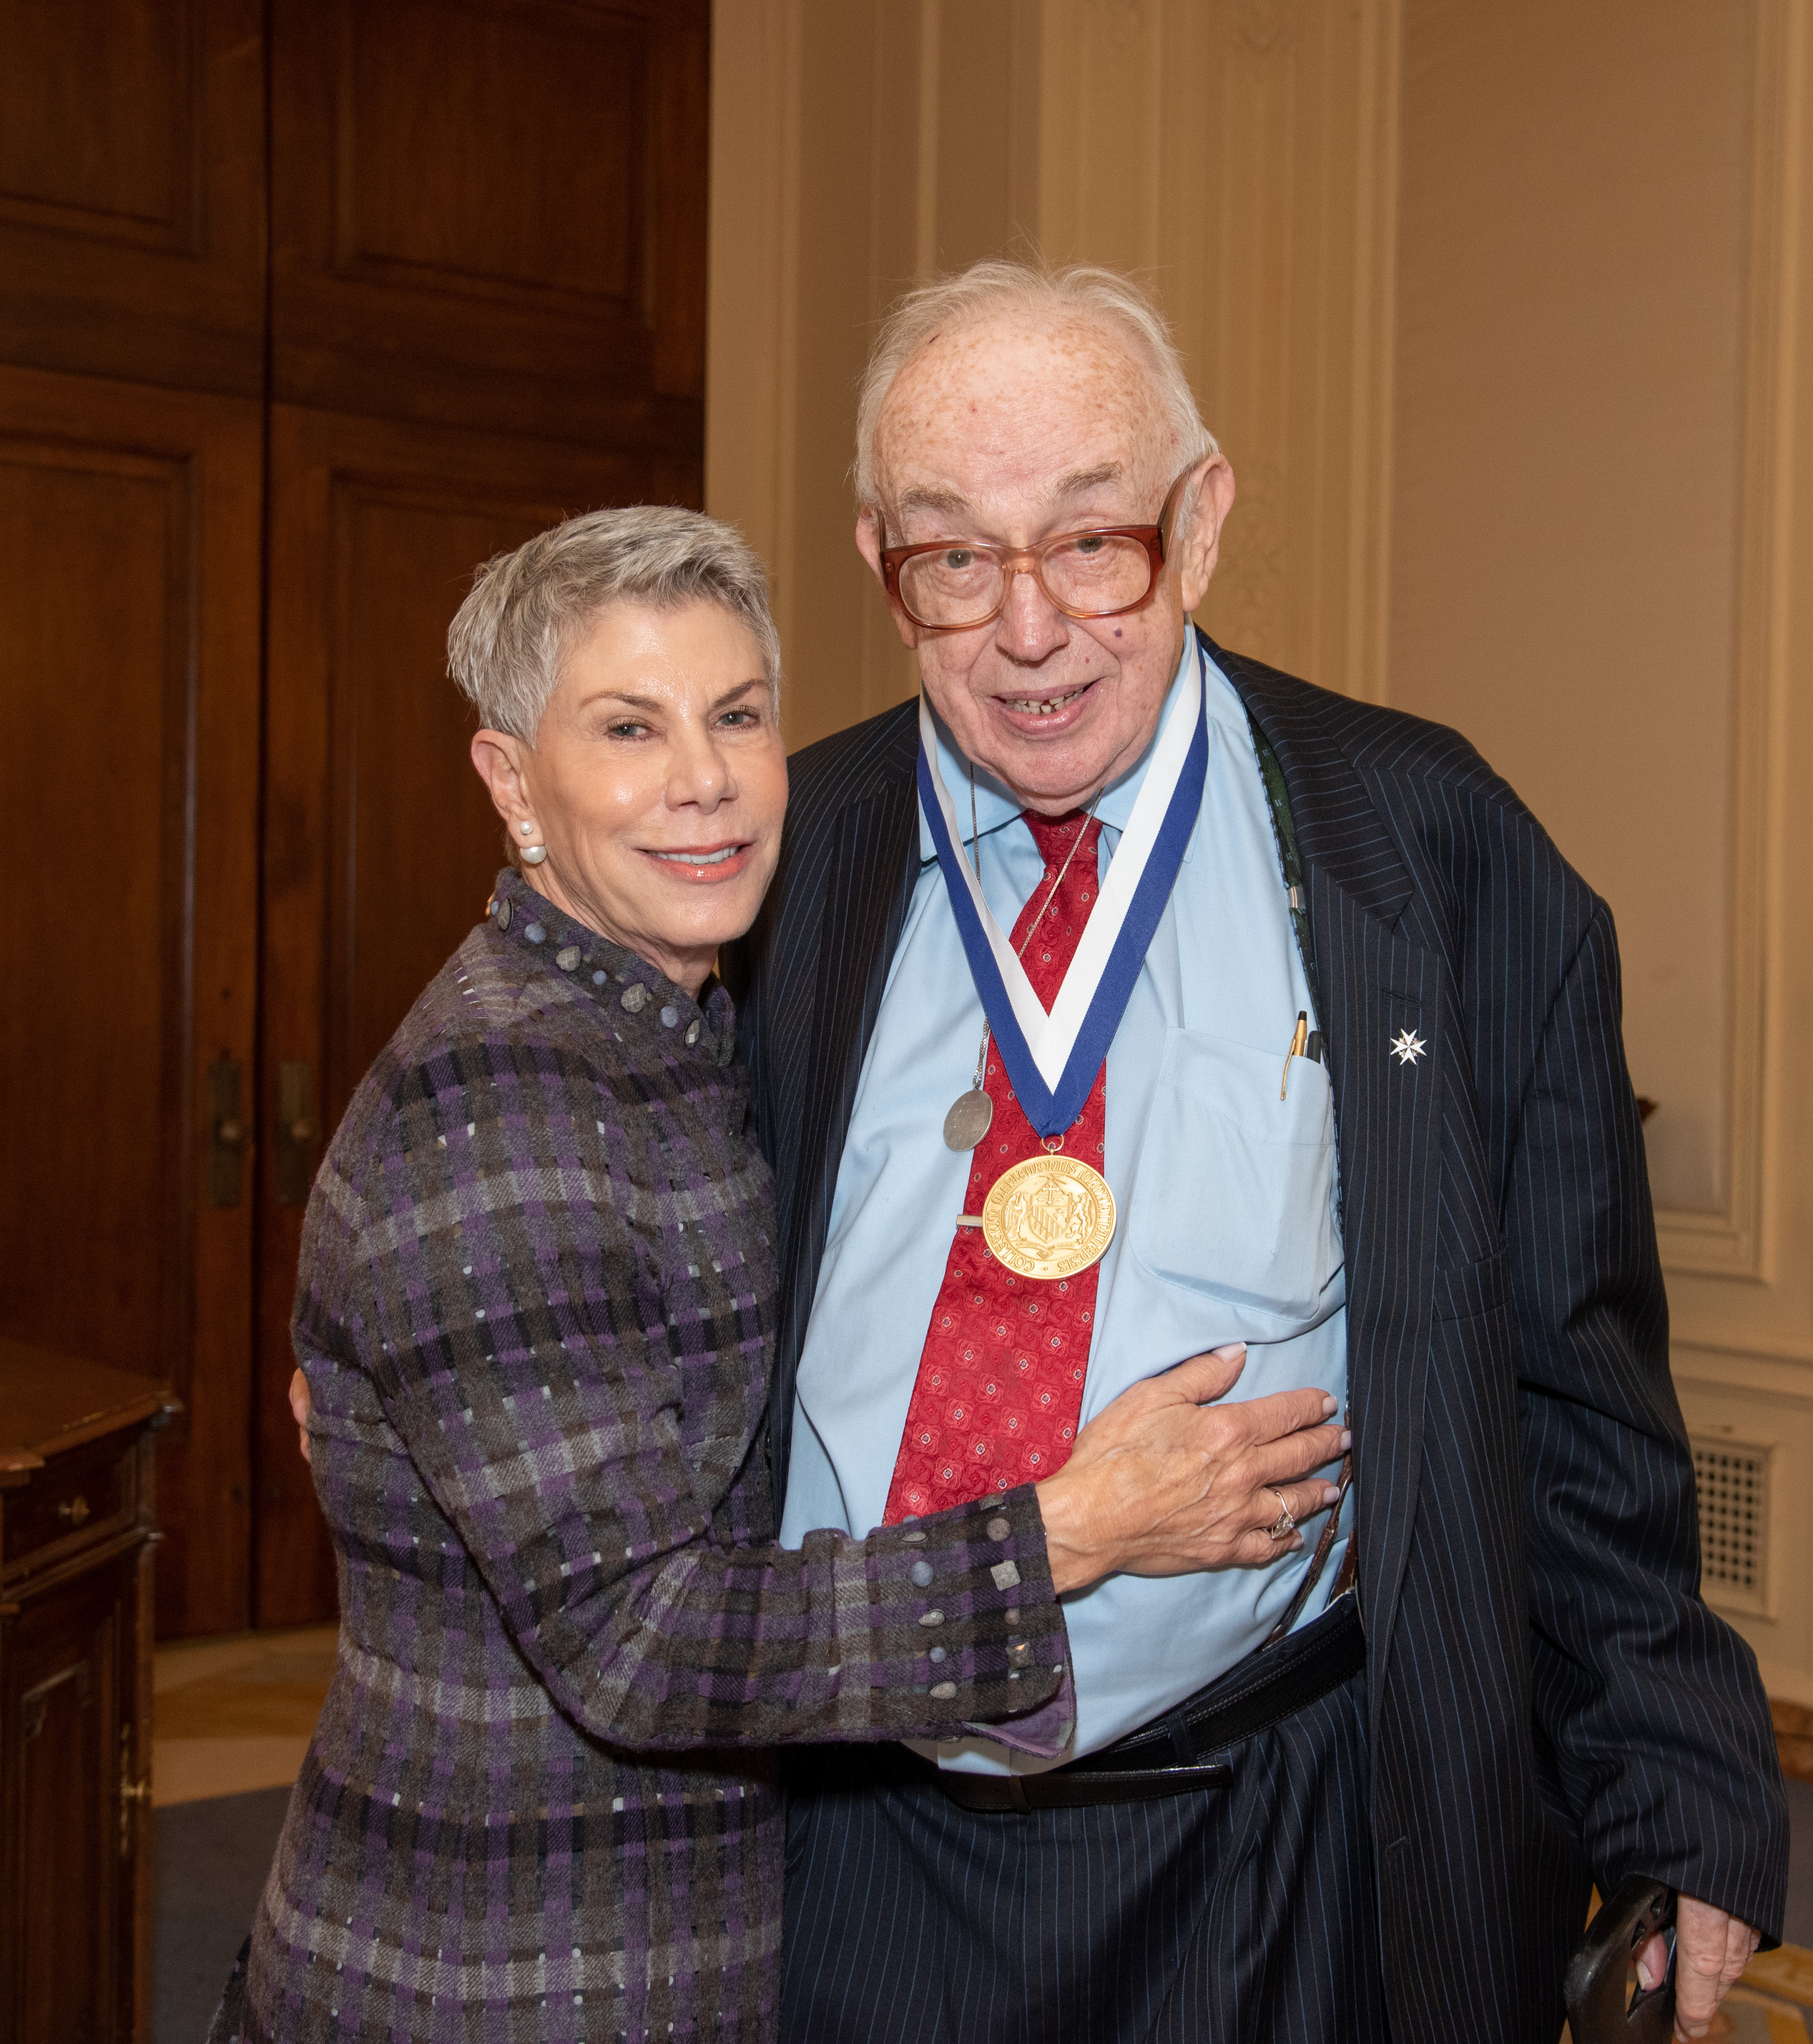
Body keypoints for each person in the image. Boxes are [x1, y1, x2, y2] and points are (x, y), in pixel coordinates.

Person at [723, 261, 1789, 2043]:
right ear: (875, 565)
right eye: (951, 557)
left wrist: (1671, 1778)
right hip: (843, 1852)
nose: (1027, 627)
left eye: (1090, 542)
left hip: (1265, 1850)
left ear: (1198, 522)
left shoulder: (1428, 852)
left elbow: (1574, 1386)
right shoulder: (775, 863)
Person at [227, 505, 1351, 2044]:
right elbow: (641, 1642)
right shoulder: (503, 1103)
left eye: (738, 715)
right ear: (513, 783)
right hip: (496, 1968)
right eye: (628, 727)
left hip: (683, 1934)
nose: (702, 778)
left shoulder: (681, 1026)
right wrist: (1076, 1530)